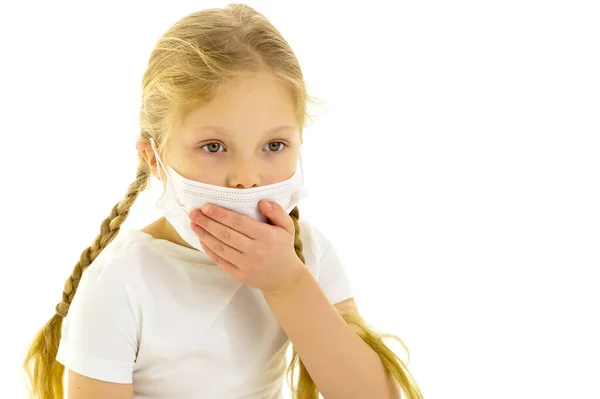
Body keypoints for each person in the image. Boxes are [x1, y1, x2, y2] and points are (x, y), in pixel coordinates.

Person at [22, 4, 423, 399]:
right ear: (154, 159)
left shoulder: (310, 254)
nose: (247, 180)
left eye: (274, 145)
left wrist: (287, 284)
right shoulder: (121, 281)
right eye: (214, 146)